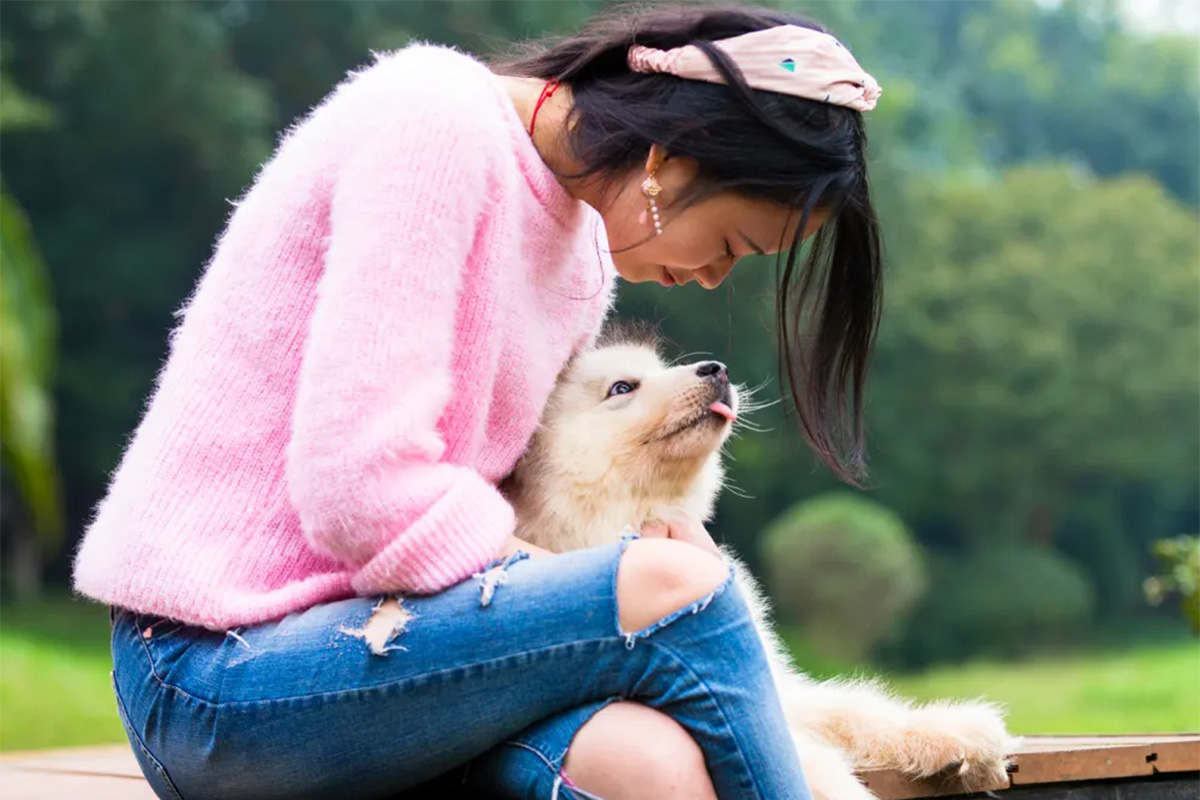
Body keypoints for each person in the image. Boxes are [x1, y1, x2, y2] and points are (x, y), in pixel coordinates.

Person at [74, 4, 884, 799]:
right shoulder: (435, 118)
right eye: (732, 244)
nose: (714, 276)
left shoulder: (581, 252)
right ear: (670, 161)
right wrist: (620, 585)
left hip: (409, 667)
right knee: (681, 594)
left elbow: (511, 504)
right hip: (221, 675)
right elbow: (362, 489)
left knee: (651, 766)